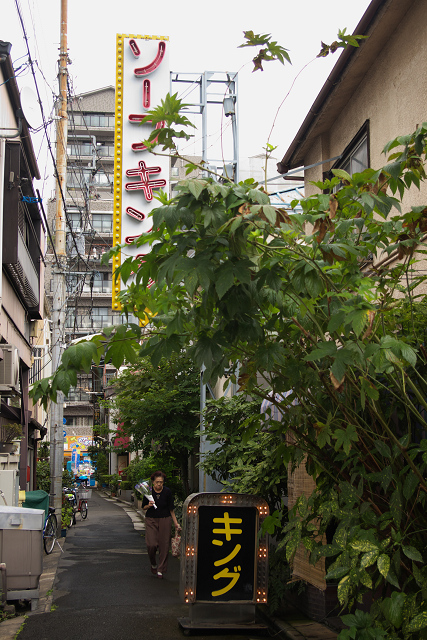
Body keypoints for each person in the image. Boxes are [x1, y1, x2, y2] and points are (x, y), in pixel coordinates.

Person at [142, 470, 181, 579]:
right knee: (151, 544)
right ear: (153, 482)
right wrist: (149, 505)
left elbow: (171, 509)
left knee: (164, 545)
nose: (159, 484)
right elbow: (143, 507)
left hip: (165, 519)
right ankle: (153, 563)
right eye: (157, 482)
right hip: (151, 519)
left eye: (161, 482)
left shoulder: (167, 492)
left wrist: (176, 523)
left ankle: (161, 569)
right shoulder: (148, 492)